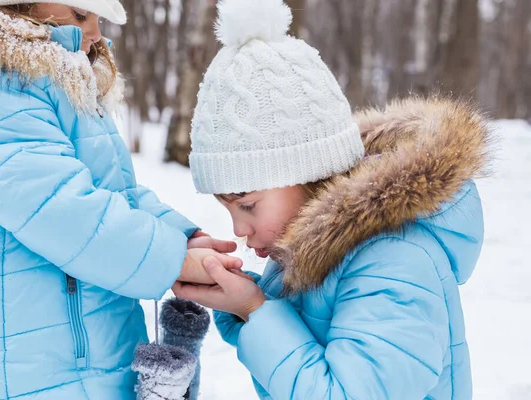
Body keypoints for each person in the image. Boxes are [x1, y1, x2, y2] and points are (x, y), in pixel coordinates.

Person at [174, 0, 493, 398]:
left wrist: (258, 310)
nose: (239, 230)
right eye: (228, 208)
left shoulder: (393, 259)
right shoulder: (307, 251)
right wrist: (242, 301)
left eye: (248, 204)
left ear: (307, 171)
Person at [0, 1, 241, 399]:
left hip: (74, 356)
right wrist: (174, 260)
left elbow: (112, 194)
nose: (95, 33)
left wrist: (182, 236)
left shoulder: (46, 82)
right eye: (81, 16)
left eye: (97, 19)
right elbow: (65, 211)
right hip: (25, 368)